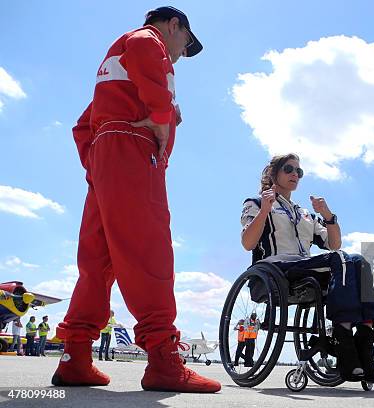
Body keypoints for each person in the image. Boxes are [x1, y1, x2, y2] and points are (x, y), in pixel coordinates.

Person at [52, 6, 221, 393]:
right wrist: (162, 115)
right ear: (174, 26)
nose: (182, 51)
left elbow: (83, 124)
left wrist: (98, 166)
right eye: (186, 42)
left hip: (107, 155)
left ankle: (75, 356)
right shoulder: (148, 40)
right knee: (149, 249)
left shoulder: (116, 64)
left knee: (98, 260)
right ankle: (163, 358)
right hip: (132, 152)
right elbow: (151, 64)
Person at [240, 153, 374, 383]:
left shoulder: (304, 213)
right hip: (277, 269)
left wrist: (328, 216)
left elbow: (333, 243)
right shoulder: (255, 203)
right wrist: (265, 210)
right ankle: (343, 336)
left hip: (304, 267)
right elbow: (247, 243)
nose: (295, 174)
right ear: (273, 173)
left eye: (299, 171)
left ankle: (365, 336)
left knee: (359, 263)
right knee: (340, 259)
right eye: (289, 169)